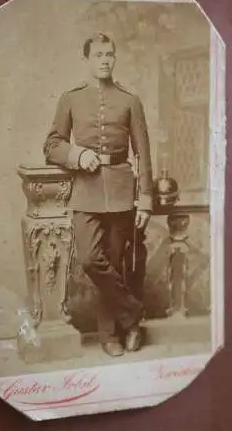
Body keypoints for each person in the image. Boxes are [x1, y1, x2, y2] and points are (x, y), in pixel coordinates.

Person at [43, 32, 153, 357]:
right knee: (91, 259)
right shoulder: (71, 99)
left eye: (110, 54)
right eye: (98, 55)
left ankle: (111, 335)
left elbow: (143, 153)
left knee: (116, 264)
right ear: (87, 60)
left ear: (114, 59)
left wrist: (144, 198)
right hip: (86, 191)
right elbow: (52, 144)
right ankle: (133, 314)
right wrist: (77, 155)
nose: (105, 60)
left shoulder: (129, 100)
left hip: (121, 192)